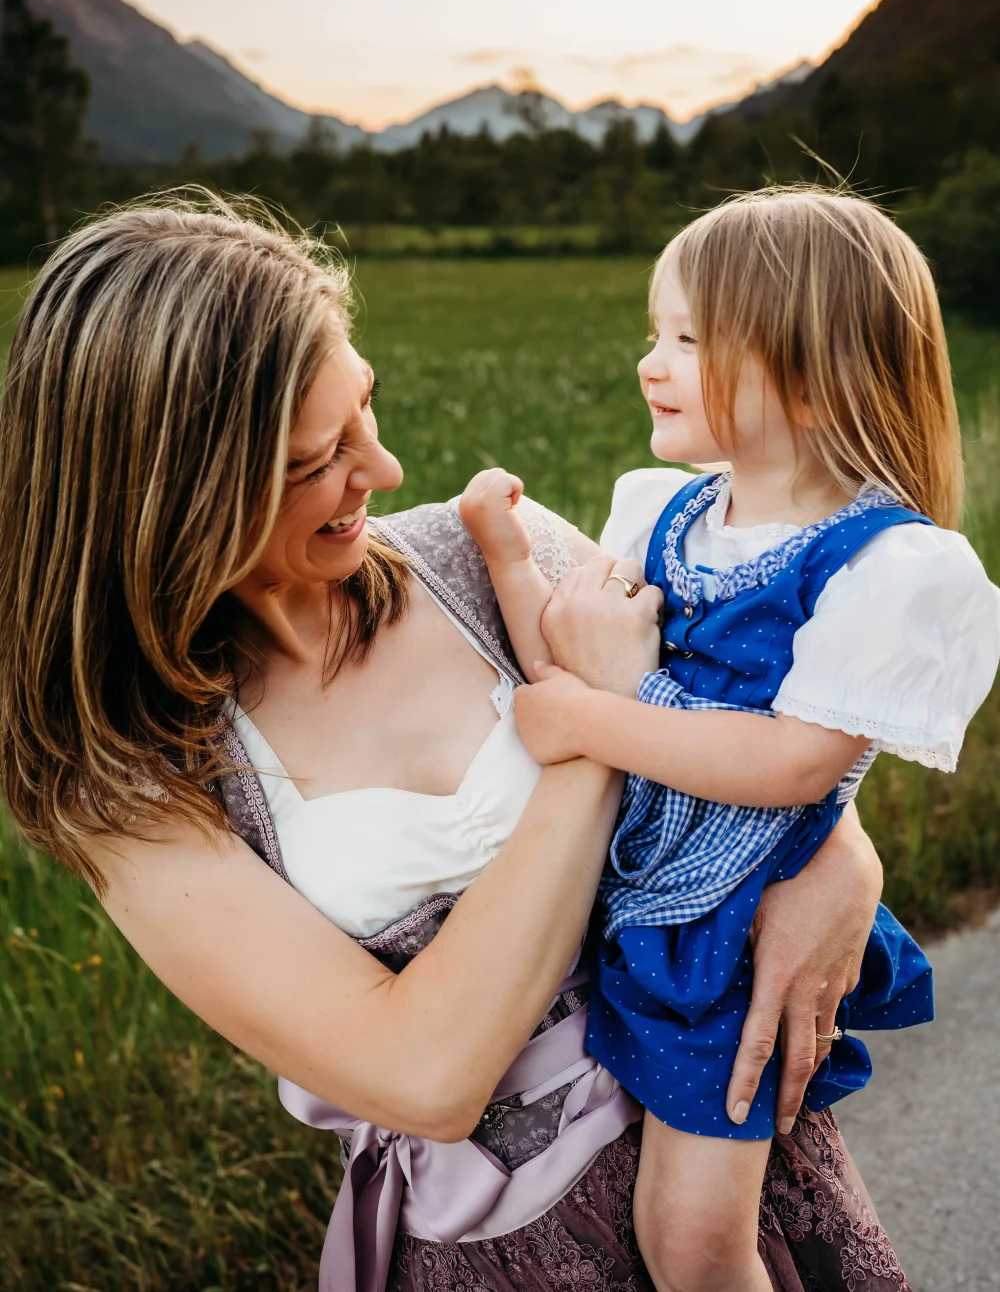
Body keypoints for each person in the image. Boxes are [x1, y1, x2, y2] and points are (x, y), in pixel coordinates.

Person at [0, 194, 910, 1292]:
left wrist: (842, 860)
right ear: (169, 498)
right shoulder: (128, 784)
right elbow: (426, 1073)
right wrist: (585, 727)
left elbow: (753, 723)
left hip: (727, 1155)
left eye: (364, 410)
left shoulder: (492, 551)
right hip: (508, 1249)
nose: (381, 473)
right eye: (314, 460)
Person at [459, 187, 1000, 1292]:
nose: (650, 363)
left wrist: (592, 719)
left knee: (691, 1243)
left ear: (807, 375)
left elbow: (795, 764)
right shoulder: (663, 510)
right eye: (654, 334)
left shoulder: (879, 565)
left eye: (688, 339)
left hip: (733, 937)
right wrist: (510, 563)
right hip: (624, 899)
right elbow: (562, 664)